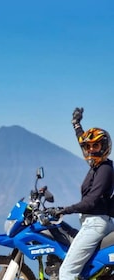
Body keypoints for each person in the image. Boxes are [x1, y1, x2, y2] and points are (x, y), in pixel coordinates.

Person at [55, 107, 114, 279]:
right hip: (94, 223)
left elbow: (91, 201)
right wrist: (76, 124)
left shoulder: (104, 170)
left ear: (104, 146)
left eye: (96, 145)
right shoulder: (97, 166)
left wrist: (64, 210)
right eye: (89, 147)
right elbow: (82, 140)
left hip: (95, 225)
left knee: (66, 272)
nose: (91, 150)